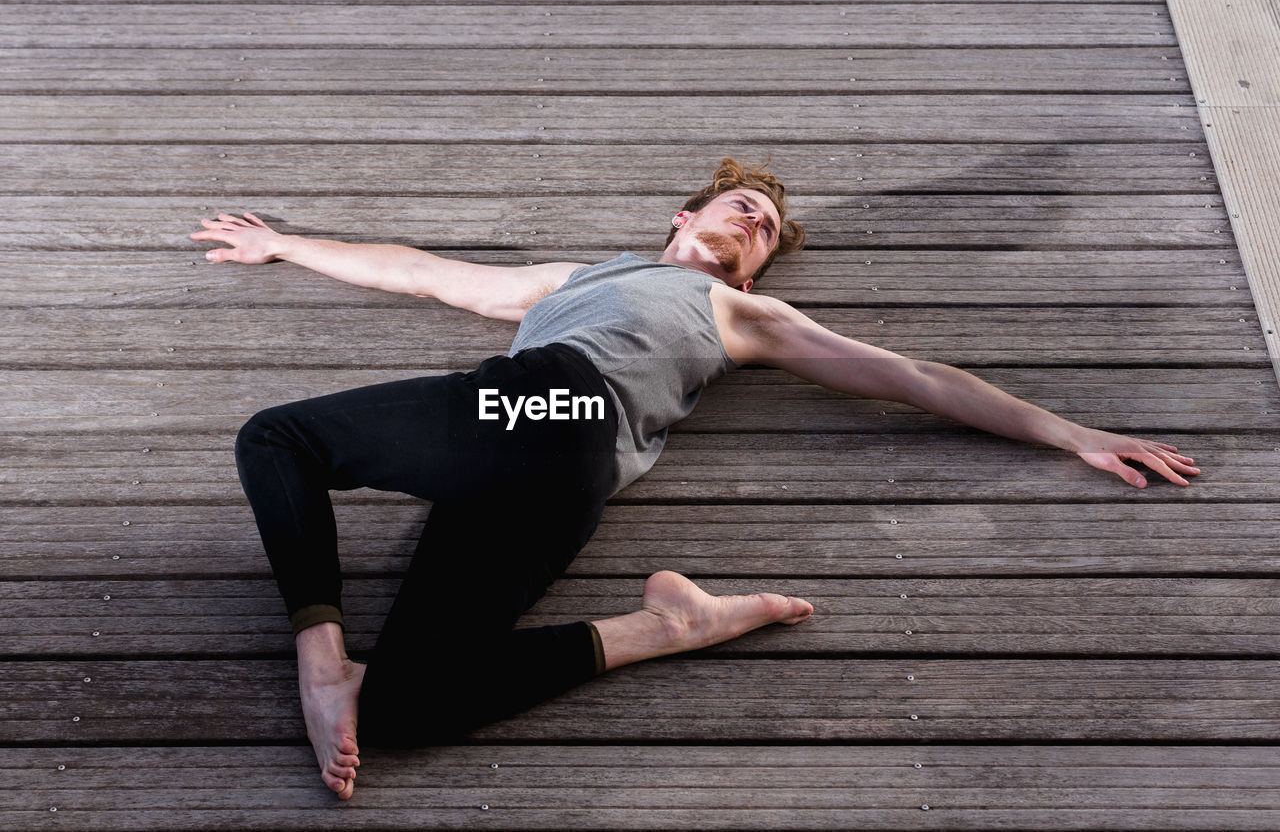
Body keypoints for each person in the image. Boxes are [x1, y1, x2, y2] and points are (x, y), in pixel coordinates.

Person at [189, 158, 1199, 800]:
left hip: (564, 415)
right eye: (739, 203)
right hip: (543, 472)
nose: (752, 218)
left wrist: (1069, 434)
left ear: (749, 269)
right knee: (405, 709)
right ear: (681, 217)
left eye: (760, 227)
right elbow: (420, 268)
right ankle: (667, 624)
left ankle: (320, 666)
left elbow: (912, 377)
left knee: (279, 438)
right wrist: (284, 242)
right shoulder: (582, 278)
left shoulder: (742, 313)